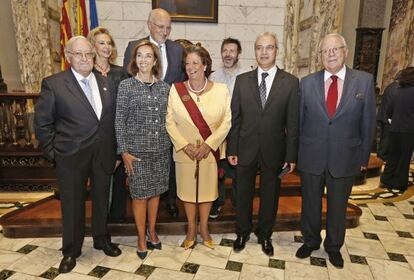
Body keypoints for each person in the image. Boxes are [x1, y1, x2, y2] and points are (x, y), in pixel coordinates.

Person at [34, 36, 122, 273]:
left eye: (88, 54)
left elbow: (112, 121)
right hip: (70, 156)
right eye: (79, 54)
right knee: (72, 204)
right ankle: (71, 250)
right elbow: (43, 124)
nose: (85, 58)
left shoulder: (107, 83)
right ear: (68, 56)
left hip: (103, 153)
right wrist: (55, 153)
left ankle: (102, 239)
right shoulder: (54, 84)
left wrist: (115, 152)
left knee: (103, 200)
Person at [296, 33, 376, 268]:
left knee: (338, 205)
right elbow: (299, 122)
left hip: (346, 156)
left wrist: (363, 158)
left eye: (335, 49)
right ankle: (310, 241)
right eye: (325, 50)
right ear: (319, 56)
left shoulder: (363, 81)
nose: (330, 54)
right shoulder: (307, 82)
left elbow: (368, 122)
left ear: (346, 51)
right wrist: (298, 154)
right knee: (310, 202)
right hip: (312, 155)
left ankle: (333, 247)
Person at [227, 32, 299, 257]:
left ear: (277, 50)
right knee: (243, 194)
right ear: (254, 51)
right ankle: (242, 232)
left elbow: (293, 123)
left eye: (269, 47)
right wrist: (232, 148)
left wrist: (291, 155)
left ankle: (265, 234)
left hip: (274, 150)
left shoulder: (290, 82)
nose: (264, 52)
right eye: (259, 48)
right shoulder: (242, 80)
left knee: (271, 195)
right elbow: (235, 118)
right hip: (245, 149)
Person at [166, 44, 231, 249]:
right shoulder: (176, 91)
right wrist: (185, 146)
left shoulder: (221, 90)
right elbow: (169, 122)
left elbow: (226, 121)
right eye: (187, 63)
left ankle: (204, 228)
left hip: (209, 153)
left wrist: (209, 144)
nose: (190, 67)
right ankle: (191, 228)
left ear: (205, 65)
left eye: (195, 62)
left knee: (207, 192)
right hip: (185, 153)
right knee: (186, 193)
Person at [123, 8, 185, 217]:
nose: (165, 31)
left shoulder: (177, 49)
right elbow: (128, 79)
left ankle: (171, 200)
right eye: (161, 26)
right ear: (149, 25)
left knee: (168, 164)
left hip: (167, 119)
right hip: (141, 124)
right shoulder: (134, 47)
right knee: (142, 178)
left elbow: (181, 82)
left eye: (168, 27)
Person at [115, 40, 171, 259]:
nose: (144, 60)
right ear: (134, 60)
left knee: (155, 194)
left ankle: (152, 231)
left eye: (149, 56)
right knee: (139, 196)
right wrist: (123, 151)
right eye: (140, 55)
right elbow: (119, 121)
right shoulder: (126, 86)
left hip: (161, 152)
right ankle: (140, 237)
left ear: (155, 60)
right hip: (136, 154)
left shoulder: (164, 88)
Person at [88, 26, 128, 222]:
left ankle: (117, 220)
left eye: (109, 43)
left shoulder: (121, 73)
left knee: (118, 182)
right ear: (93, 46)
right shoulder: (87, 74)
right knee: (99, 184)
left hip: (117, 137)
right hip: (95, 140)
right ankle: (100, 225)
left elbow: (127, 109)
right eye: (101, 43)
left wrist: (121, 151)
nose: (106, 47)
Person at [209, 37, 249, 218]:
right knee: (217, 170)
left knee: (240, 170)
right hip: (218, 132)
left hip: (240, 131)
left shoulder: (248, 76)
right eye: (225, 50)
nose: (228, 54)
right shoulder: (214, 76)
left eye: (232, 51)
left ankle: (239, 202)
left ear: (238, 53)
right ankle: (217, 202)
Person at [380, 66, 414, 191]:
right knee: (404, 158)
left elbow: (389, 111)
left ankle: (386, 180)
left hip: (394, 129)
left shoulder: (397, 91)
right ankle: (399, 183)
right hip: (409, 131)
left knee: (392, 156)